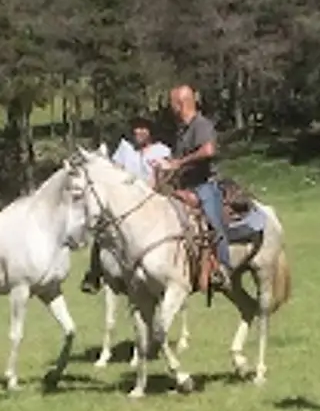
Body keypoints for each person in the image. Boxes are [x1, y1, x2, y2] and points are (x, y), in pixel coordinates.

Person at [81, 115, 171, 294]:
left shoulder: (162, 151)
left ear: (150, 131)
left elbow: (164, 178)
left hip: (151, 201)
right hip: (125, 203)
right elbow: (115, 170)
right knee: (102, 230)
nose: (138, 132)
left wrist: (153, 183)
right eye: (136, 128)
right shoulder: (125, 149)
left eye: (142, 128)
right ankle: (95, 274)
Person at [159, 85, 230, 288]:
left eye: (172, 103)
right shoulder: (181, 131)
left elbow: (208, 150)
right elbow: (178, 158)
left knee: (213, 222)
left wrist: (179, 163)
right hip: (184, 185)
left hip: (204, 185)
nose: (170, 108)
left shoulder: (201, 125)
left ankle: (222, 268)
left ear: (180, 104)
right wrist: (166, 164)